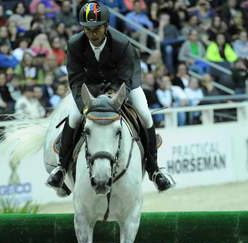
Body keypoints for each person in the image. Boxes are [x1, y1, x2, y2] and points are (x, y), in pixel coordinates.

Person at [46, 1, 175, 193]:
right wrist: (86, 105)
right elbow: (75, 79)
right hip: (89, 88)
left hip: (124, 85)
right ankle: (62, 168)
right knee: (74, 117)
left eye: (96, 29)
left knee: (145, 115)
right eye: (88, 29)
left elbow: (125, 78)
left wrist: (112, 99)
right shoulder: (74, 44)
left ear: (106, 26)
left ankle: (155, 170)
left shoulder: (122, 43)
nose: (92, 34)